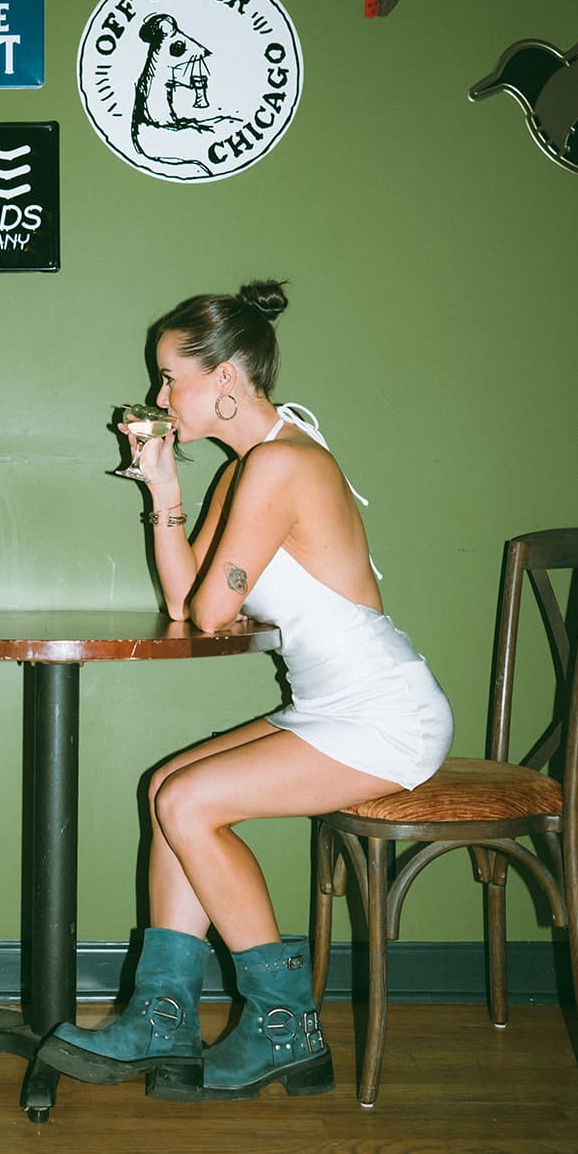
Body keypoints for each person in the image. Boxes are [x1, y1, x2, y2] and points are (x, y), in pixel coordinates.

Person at [39, 281, 452, 1101]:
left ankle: (283, 1031)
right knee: (167, 790)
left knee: (191, 803)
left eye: (169, 378)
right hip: (334, 707)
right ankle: (161, 1016)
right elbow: (180, 603)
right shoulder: (249, 467)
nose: (160, 396)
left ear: (225, 376)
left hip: (383, 716)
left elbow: (210, 608)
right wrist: (161, 488)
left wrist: (189, 553)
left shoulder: (281, 464)